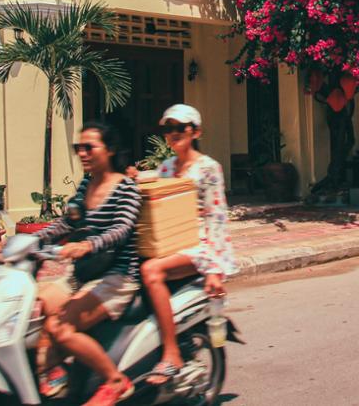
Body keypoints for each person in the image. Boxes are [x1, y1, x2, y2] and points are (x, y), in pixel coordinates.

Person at [34, 121, 142, 406]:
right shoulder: (85, 185)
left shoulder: (125, 187)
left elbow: (122, 230)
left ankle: (115, 380)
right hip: (83, 274)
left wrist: (87, 245)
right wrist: (31, 242)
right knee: (36, 305)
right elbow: (68, 220)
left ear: (109, 150)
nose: (82, 153)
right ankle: (55, 371)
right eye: (78, 148)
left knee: (61, 328)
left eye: (89, 147)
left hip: (117, 277)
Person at [140, 104, 237, 385]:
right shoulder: (166, 167)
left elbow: (216, 217)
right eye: (168, 128)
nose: (173, 134)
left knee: (151, 271)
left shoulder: (208, 168)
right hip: (171, 242)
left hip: (199, 245)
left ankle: (171, 354)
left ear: (196, 132)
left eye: (180, 128)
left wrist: (214, 271)